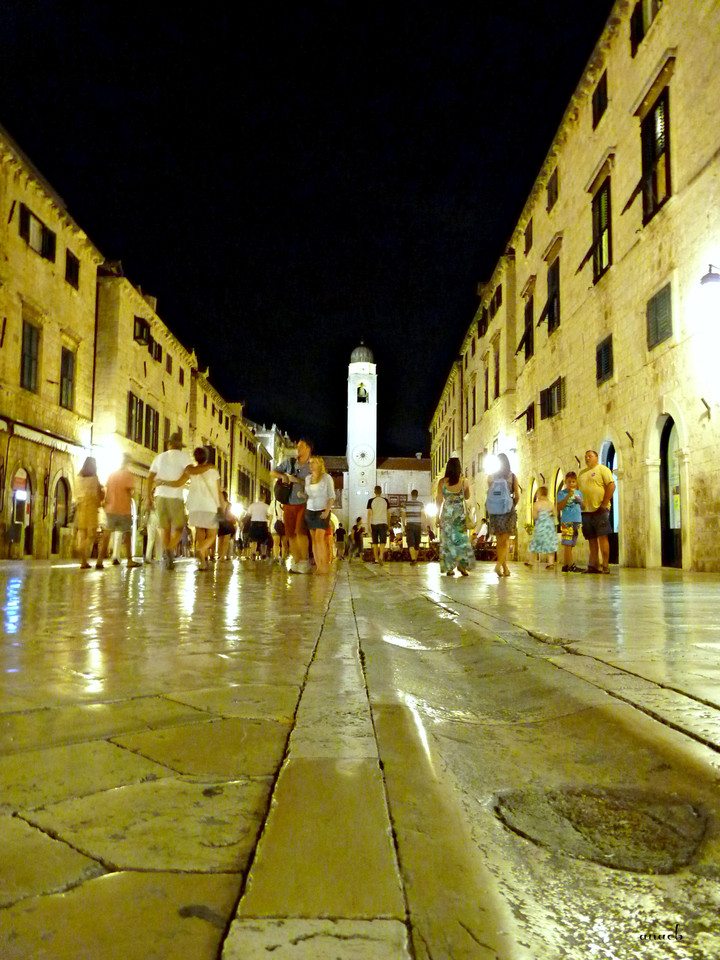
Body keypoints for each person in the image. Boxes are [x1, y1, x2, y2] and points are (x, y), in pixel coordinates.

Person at [147, 431, 196, 570]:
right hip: (175, 497)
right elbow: (189, 473)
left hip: (160, 496)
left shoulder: (159, 457)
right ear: (180, 446)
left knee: (165, 528)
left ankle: (168, 552)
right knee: (179, 527)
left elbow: (150, 478)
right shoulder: (184, 456)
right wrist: (178, 482)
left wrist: (149, 497)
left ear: (169, 444)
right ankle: (170, 548)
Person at [272, 438, 313, 574]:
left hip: (304, 502)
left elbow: (315, 483)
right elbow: (273, 472)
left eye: (301, 446)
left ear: (308, 448)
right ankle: (296, 561)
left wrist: (297, 480)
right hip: (288, 502)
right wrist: (283, 476)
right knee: (290, 534)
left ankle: (304, 561)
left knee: (300, 532)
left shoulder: (312, 465)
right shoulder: (290, 462)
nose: (298, 448)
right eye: (297, 446)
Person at [97, 453, 140, 569]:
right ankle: (129, 560)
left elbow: (107, 489)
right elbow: (131, 491)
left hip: (110, 508)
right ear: (127, 462)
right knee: (127, 534)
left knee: (107, 535)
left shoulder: (112, 475)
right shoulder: (128, 475)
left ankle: (100, 560)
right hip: (123, 509)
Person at [578, 450, 616, 574]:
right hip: (586, 511)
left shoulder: (602, 469)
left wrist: (604, 503)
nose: (587, 458)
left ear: (596, 457)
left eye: (590, 456)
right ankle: (594, 565)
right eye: (586, 457)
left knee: (602, 536)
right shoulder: (581, 473)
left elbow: (611, 485)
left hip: (600, 509)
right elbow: (578, 491)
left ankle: (605, 565)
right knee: (591, 539)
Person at [436, 458, 474, 576]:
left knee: (448, 540)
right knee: (461, 540)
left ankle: (449, 567)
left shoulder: (442, 482)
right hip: (459, 515)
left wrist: (437, 516)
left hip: (447, 514)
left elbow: (439, 500)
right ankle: (462, 566)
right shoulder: (464, 481)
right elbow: (467, 497)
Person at [485, 453, 520, 577]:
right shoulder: (513, 477)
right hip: (507, 511)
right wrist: (512, 505)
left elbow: (490, 494)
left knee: (500, 541)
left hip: (495, 512)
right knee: (505, 541)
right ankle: (498, 565)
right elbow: (517, 496)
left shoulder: (491, 477)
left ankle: (505, 569)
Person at [304, 456, 335, 574]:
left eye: (314, 462)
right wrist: (302, 495)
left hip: (322, 510)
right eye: (310, 462)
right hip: (310, 510)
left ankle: (324, 565)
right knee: (314, 539)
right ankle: (318, 566)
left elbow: (331, 496)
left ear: (320, 464)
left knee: (319, 538)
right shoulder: (308, 479)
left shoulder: (327, 478)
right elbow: (308, 495)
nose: (311, 465)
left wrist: (327, 511)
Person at [74, 457, 104, 569]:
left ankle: (84, 562)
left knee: (83, 534)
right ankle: (81, 548)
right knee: (91, 536)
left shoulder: (78, 478)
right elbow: (98, 495)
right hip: (91, 509)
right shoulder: (94, 478)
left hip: (81, 509)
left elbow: (76, 494)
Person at [557, 471, 584, 572]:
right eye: (569, 482)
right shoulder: (562, 493)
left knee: (571, 543)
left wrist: (579, 500)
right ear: (566, 482)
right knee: (567, 543)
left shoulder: (579, 493)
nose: (571, 484)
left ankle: (566, 564)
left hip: (576, 520)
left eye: (573, 482)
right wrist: (568, 496)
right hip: (567, 521)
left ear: (576, 482)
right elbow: (559, 507)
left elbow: (583, 506)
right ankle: (570, 565)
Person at [528, 486, 558, 570]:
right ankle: (550, 563)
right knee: (550, 544)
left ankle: (531, 562)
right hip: (549, 528)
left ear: (539, 494)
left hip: (540, 527)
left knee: (535, 544)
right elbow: (555, 514)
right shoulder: (551, 504)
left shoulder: (537, 504)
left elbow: (534, 516)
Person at [402, 489, 428, 566]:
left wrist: (403, 525)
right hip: (418, 525)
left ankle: (413, 559)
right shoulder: (420, 504)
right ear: (417, 495)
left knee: (411, 543)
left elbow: (403, 515)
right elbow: (423, 515)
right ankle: (414, 559)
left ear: (411, 495)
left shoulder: (406, 504)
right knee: (417, 543)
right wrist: (425, 526)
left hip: (409, 525)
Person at [367, 485, 390, 565]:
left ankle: (376, 559)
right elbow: (388, 513)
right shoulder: (385, 500)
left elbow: (369, 514)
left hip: (374, 523)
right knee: (383, 541)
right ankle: (381, 556)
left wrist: (368, 525)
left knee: (375, 542)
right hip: (383, 523)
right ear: (381, 491)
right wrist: (388, 524)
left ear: (374, 491)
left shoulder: (370, 501)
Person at [217, 491, 237, 561]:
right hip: (228, 523)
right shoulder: (229, 504)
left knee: (220, 540)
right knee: (226, 540)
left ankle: (220, 555)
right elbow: (229, 514)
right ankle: (222, 556)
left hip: (221, 522)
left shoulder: (218, 503)